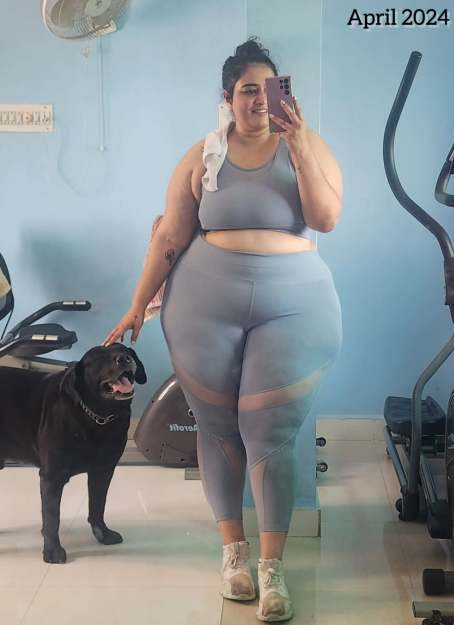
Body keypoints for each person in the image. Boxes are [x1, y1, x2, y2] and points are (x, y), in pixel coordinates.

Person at [104, 37, 343, 623]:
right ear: (229, 98)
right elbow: (170, 237)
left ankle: (273, 568)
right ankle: (233, 554)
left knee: (270, 432)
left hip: (293, 306)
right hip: (202, 305)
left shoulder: (308, 146)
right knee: (216, 429)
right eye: (247, 90)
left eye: (269, 89)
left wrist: (299, 145)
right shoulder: (203, 155)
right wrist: (135, 304)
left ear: (284, 94)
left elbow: (326, 218)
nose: (259, 100)